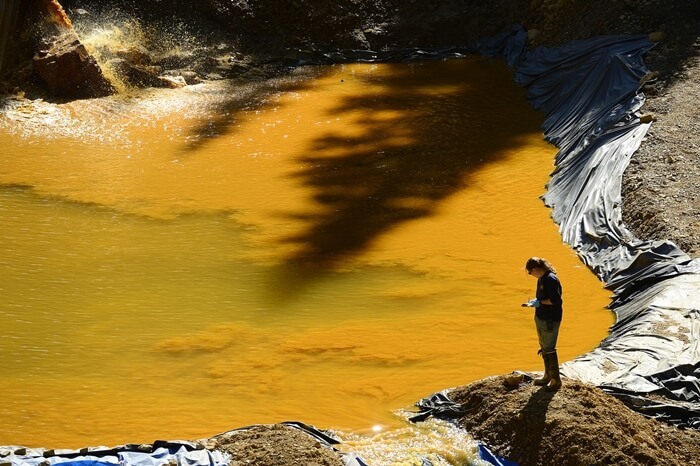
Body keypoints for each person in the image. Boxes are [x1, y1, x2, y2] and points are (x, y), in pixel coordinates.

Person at [522, 257, 563, 391]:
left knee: (549, 347)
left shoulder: (550, 279)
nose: (530, 275)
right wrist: (536, 302)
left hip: (550, 318)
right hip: (541, 316)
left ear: (535, 269)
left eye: (530, 272)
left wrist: (540, 303)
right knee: (544, 346)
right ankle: (547, 376)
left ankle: (555, 380)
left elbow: (555, 301)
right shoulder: (542, 278)